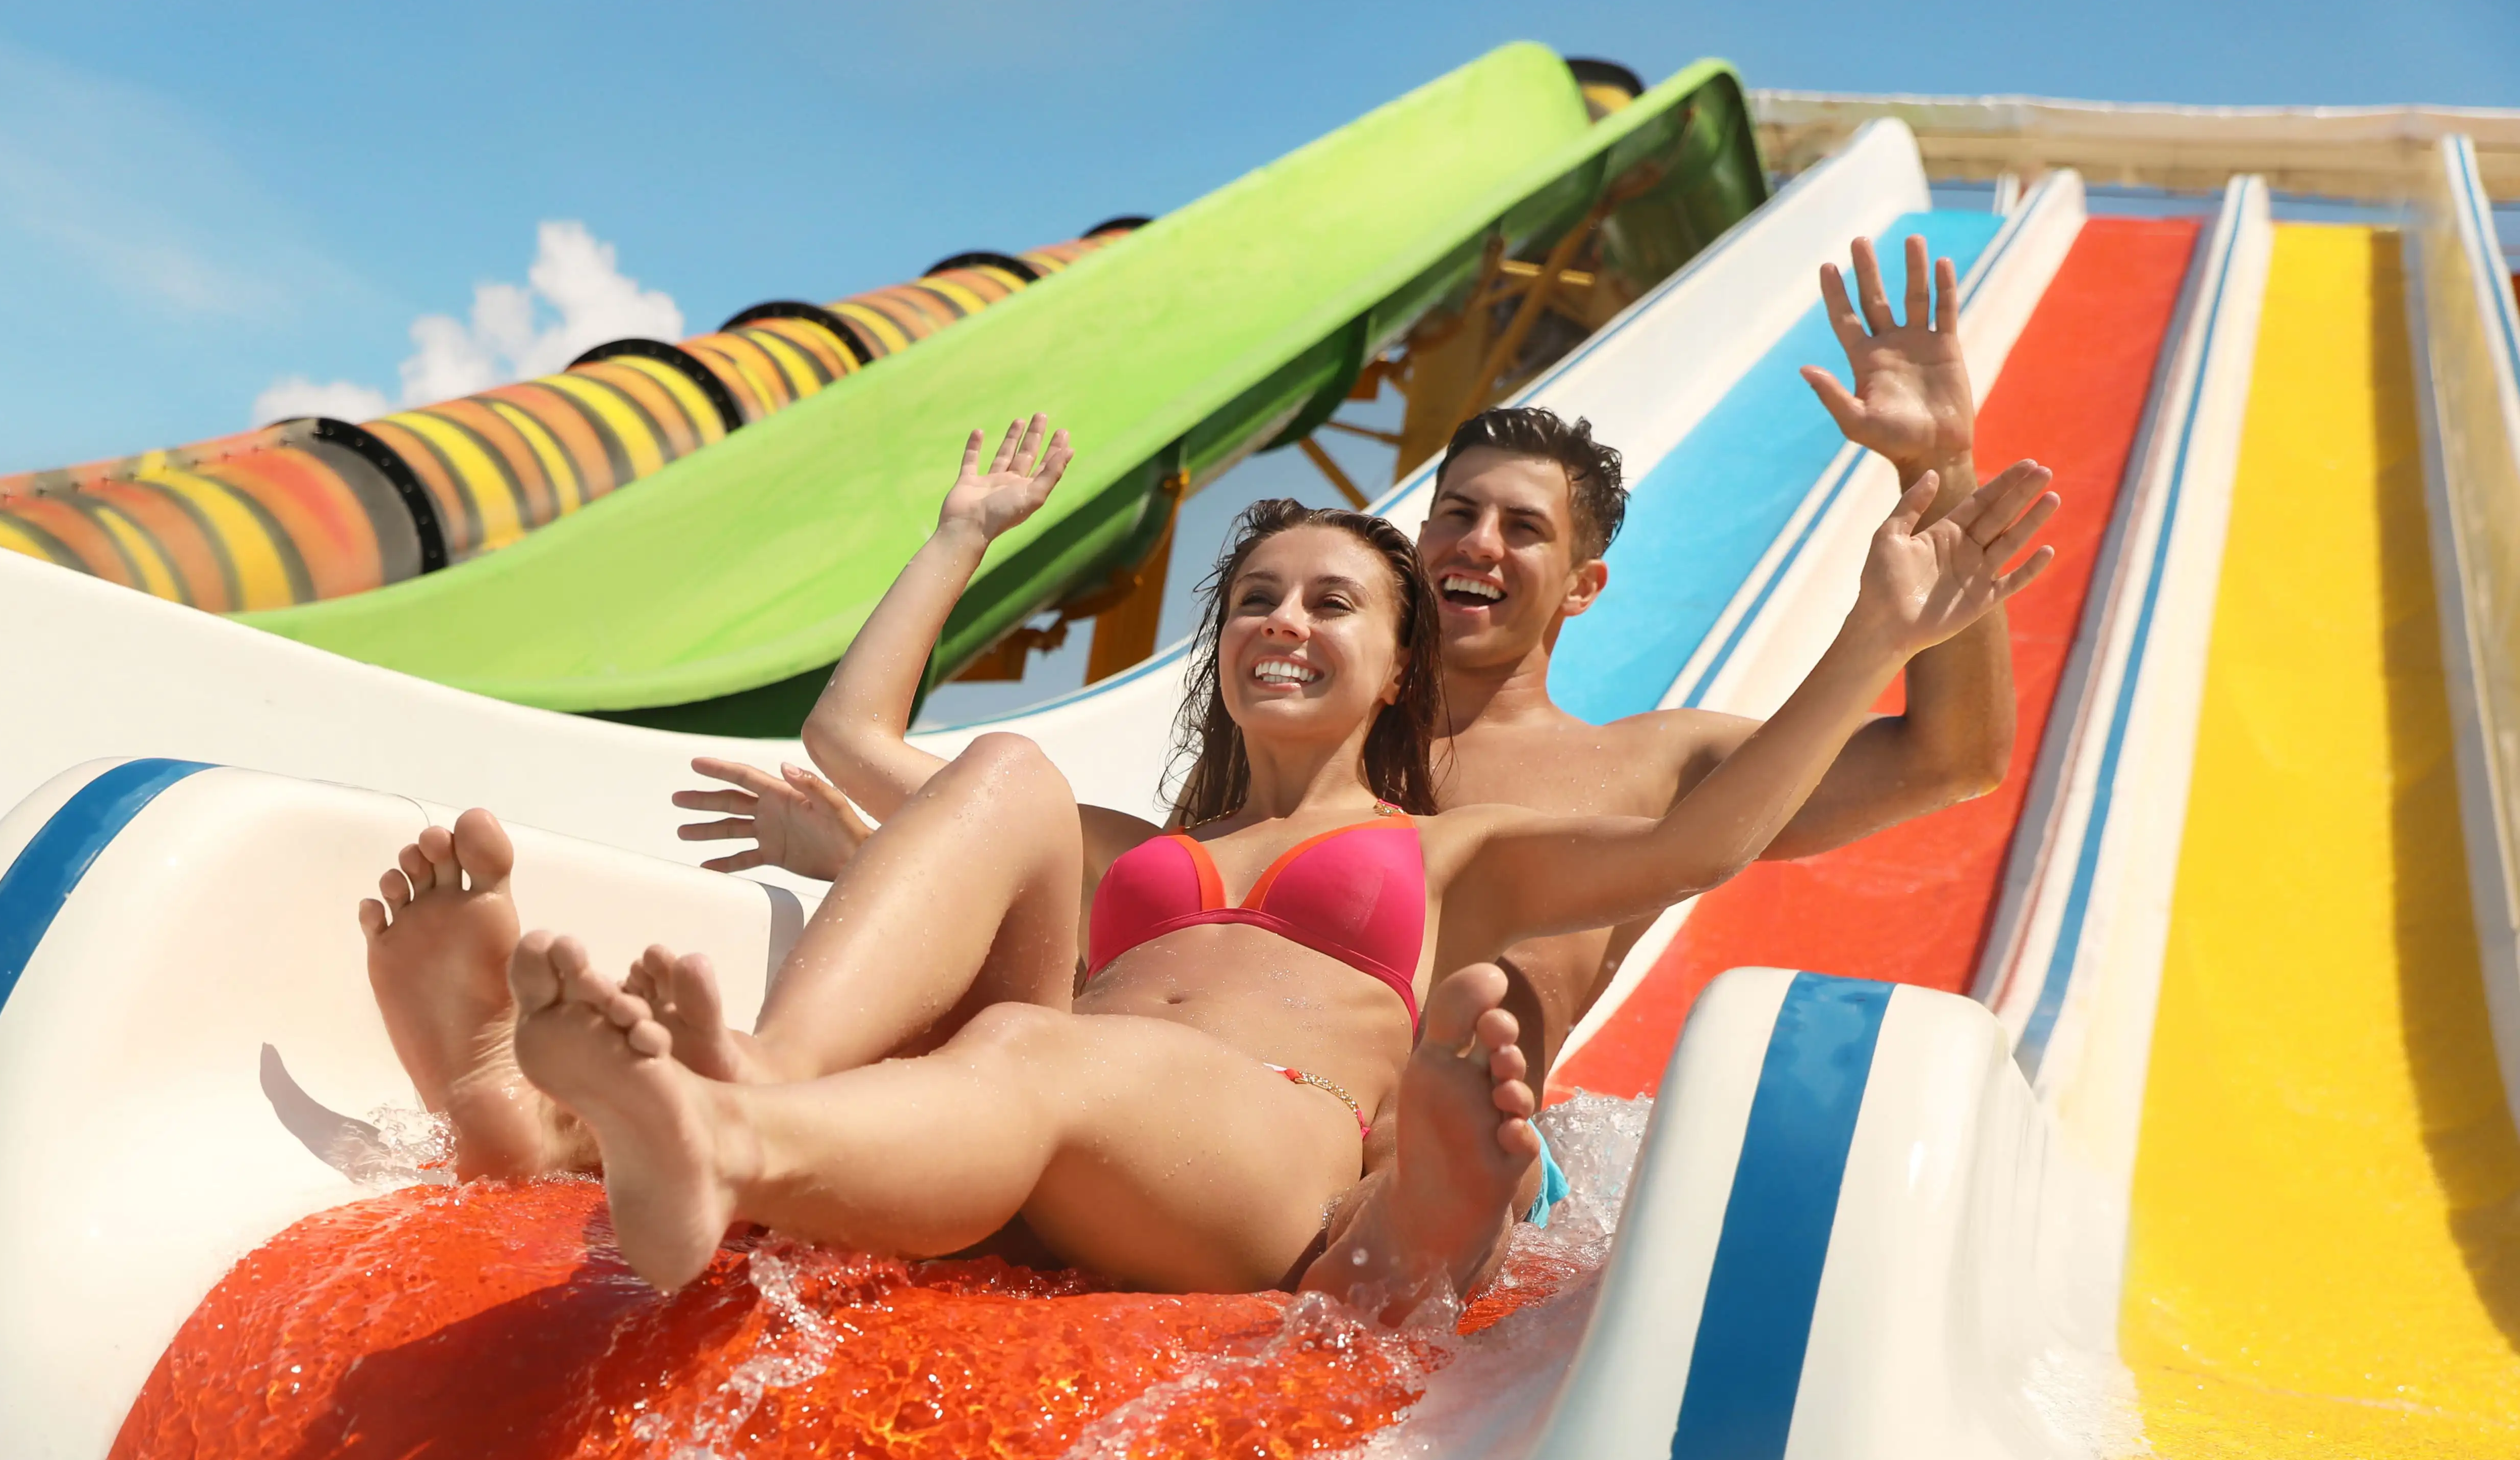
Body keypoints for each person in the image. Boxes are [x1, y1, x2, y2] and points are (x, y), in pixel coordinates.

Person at [367, 406, 2054, 1312]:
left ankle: (1422, 1221)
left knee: (1051, 1046)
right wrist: (961, 540)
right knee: (1010, 784)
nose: (1291, 619)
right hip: (1093, 1093)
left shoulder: (1488, 831)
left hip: (1309, 1150)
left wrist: (1875, 621)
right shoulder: (1152, 838)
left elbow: (1729, 831)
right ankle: (600, 1116)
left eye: (1337, 598)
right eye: (1259, 598)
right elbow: (865, 743)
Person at [671, 237, 2013, 1297]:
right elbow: (1138, 932)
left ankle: (1407, 1223)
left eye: (1522, 530)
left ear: (1585, 584)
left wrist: (1943, 469)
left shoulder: (1646, 769)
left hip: (1439, 1158)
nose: (1478, 542)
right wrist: (867, 856)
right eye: (1455, 512)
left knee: (1441, 1087)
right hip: (1190, 1115)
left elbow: (1951, 759)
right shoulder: (1282, 758)